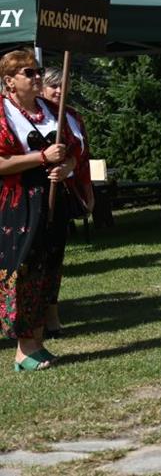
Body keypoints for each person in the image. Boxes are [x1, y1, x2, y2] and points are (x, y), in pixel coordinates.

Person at [0, 49, 82, 370]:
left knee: (48, 268)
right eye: (29, 73)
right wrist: (42, 158)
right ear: (10, 81)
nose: (37, 77)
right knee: (24, 270)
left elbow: (74, 152)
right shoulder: (3, 114)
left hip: (53, 197)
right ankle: (23, 350)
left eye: (37, 71)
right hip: (18, 203)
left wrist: (66, 167)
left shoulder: (51, 111)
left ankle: (37, 342)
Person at [41, 66, 94, 338]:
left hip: (64, 192)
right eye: (53, 86)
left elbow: (82, 158)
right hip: (34, 194)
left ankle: (52, 316)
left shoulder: (73, 116)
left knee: (54, 255)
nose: (59, 91)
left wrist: (87, 191)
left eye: (64, 85)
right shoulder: (35, 117)